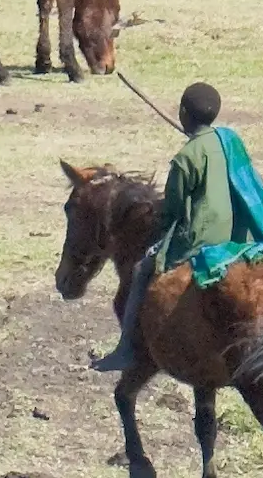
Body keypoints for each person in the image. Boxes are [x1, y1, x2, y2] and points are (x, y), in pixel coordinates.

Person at [92, 81, 232, 372]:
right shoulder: (226, 141)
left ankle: (126, 348)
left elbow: (174, 210)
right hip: (233, 228)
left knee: (142, 270)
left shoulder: (185, 158)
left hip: (200, 235)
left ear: (183, 114)